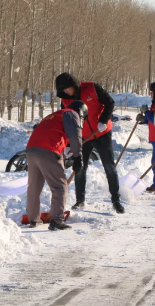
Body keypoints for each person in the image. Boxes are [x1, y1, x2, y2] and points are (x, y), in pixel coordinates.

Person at [55, 73, 124, 214]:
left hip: (102, 132)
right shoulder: (65, 100)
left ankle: (116, 200)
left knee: (109, 166)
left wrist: (103, 120)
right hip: (83, 138)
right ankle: (80, 201)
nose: (66, 92)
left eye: (67, 88)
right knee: (80, 168)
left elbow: (110, 102)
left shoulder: (92, 88)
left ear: (74, 84)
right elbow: (66, 122)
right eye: (63, 90)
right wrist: (68, 145)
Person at [26, 101, 86, 230]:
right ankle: (57, 221)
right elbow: (75, 135)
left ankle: (33, 220)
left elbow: (52, 132)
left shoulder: (55, 115)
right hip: (49, 150)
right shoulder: (72, 114)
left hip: (32, 149)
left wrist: (67, 147)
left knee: (34, 187)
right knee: (59, 186)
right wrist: (78, 157)